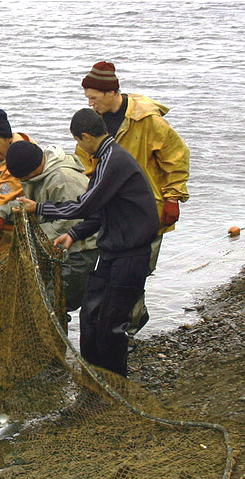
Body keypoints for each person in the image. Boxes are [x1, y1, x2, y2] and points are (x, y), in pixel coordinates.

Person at [17, 109, 159, 378]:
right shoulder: (106, 158)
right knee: (90, 316)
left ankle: (114, 384)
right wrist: (75, 234)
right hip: (111, 250)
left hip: (131, 254)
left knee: (112, 324)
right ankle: (92, 378)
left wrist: (40, 208)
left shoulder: (112, 161)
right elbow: (100, 212)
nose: (79, 148)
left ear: (85, 136)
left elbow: (86, 204)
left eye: (79, 141)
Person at [79, 61, 190, 337]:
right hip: (110, 212)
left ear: (111, 92)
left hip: (147, 211)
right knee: (112, 271)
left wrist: (174, 198)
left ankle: (127, 327)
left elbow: (177, 157)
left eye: (94, 98)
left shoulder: (147, 120)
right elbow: (84, 160)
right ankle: (122, 320)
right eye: (87, 99)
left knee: (138, 270)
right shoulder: (96, 122)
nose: (90, 104)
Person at [0, 141, 100, 314]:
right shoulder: (38, 173)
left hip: (80, 250)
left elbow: (69, 224)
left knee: (55, 303)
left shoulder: (63, 181)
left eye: (23, 178)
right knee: (36, 298)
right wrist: (3, 213)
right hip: (53, 247)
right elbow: (30, 204)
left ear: (32, 170)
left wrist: (27, 239)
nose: (22, 182)